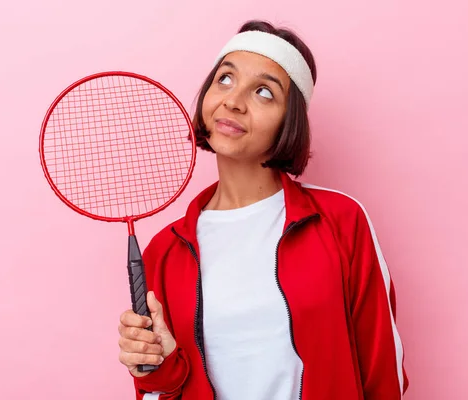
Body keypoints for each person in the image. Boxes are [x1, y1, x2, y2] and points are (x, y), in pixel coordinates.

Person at [117, 19, 409, 400]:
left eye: (264, 92)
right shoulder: (165, 251)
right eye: (225, 79)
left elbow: (382, 369)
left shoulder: (340, 221)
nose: (233, 101)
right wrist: (158, 370)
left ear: (290, 122)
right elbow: (162, 394)